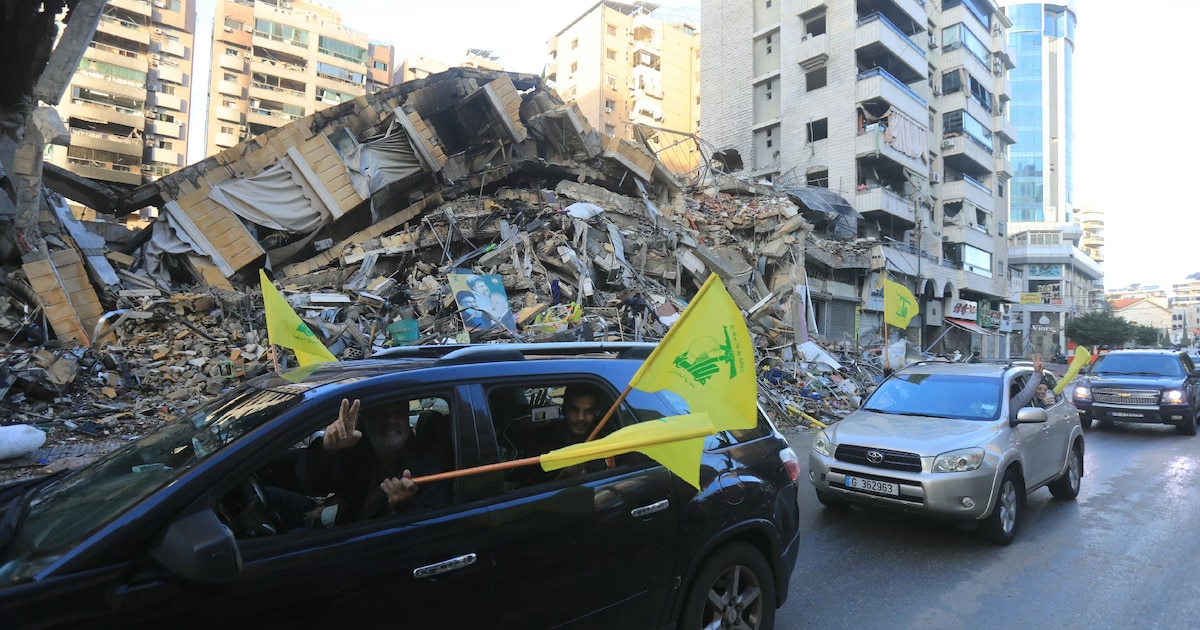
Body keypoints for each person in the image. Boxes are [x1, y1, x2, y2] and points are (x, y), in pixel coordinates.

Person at [295, 398, 452, 527]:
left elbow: (433, 533)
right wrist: (328, 449)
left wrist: (405, 506)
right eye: (381, 413)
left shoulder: (431, 467)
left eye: (398, 413)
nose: (391, 420)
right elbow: (313, 485)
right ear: (365, 418)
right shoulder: (360, 450)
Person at [1009, 354, 1047, 420]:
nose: (1042, 392)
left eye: (1045, 390)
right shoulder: (1003, 409)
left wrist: (1037, 374)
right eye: (1039, 389)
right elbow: (1024, 396)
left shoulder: (1051, 400)